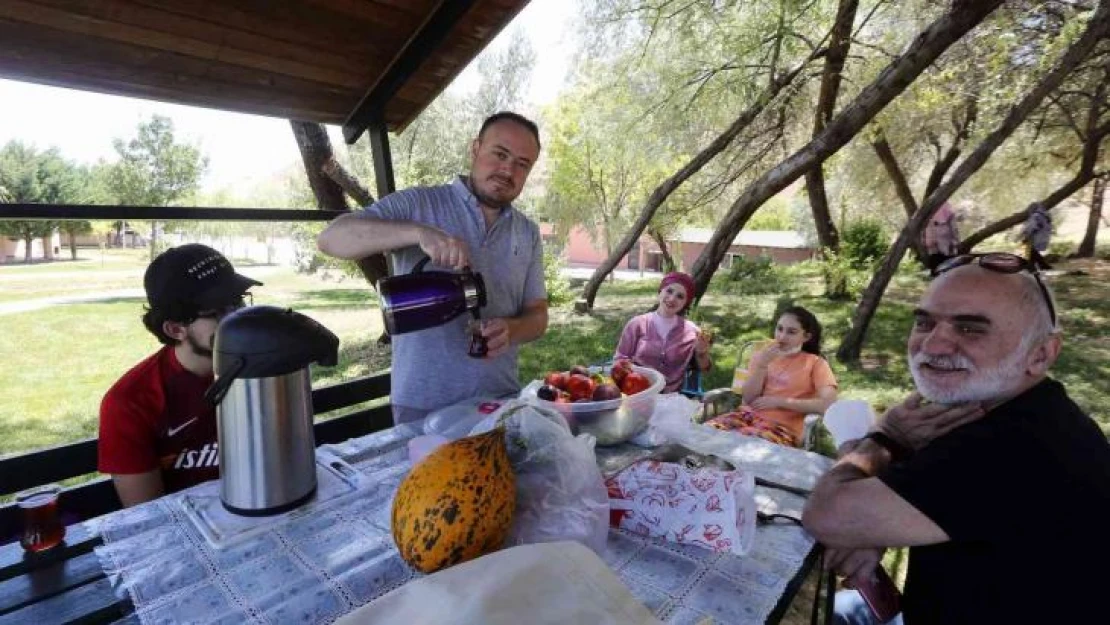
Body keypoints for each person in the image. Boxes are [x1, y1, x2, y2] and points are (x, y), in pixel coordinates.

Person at [802, 253, 1110, 624]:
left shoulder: (1016, 446)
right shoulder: (1022, 409)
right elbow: (924, 491)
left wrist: (886, 437)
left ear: (1041, 354)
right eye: (924, 322)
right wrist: (873, 527)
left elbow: (827, 514)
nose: (933, 345)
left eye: (970, 329)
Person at [317, 112, 548, 425]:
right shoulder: (419, 205)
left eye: (522, 163)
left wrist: (512, 329)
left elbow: (537, 315)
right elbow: (332, 239)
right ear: (476, 148)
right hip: (422, 407)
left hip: (499, 402)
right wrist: (417, 233)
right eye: (500, 154)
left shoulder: (527, 232)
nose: (508, 170)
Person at [99, 244, 261, 507]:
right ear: (176, 329)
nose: (239, 318)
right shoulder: (131, 402)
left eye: (238, 301)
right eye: (219, 312)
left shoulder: (260, 369)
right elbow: (146, 513)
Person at [705, 306, 837, 447]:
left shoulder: (816, 364)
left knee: (743, 445)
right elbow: (748, 399)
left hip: (782, 428)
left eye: (791, 332)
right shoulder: (763, 355)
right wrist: (761, 365)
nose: (782, 336)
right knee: (705, 433)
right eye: (779, 329)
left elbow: (828, 404)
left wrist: (780, 401)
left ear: (806, 337)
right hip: (746, 416)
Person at [613, 271, 712, 393]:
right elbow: (620, 359)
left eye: (680, 296)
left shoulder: (692, 331)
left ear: (686, 303)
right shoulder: (637, 324)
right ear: (660, 291)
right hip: (636, 394)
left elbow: (704, 368)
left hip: (670, 397)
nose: (672, 299)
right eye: (669, 291)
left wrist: (701, 353)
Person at [922, 201, 958, 271]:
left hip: (939, 238)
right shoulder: (945, 207)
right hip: (939, 237)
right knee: (942, 260)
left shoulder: (930, 206)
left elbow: (953, 227)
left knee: (941, 259)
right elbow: (954, 228)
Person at [1021, 202, 1053, 266]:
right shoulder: (1046, 216)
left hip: (1036, 237)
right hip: (1044, 237)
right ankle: (1038, 265)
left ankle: (1030, 265)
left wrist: (1026, 234)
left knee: (1026, 248)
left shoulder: (1036, 216)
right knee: (1033, 252)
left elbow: (1031, 227)